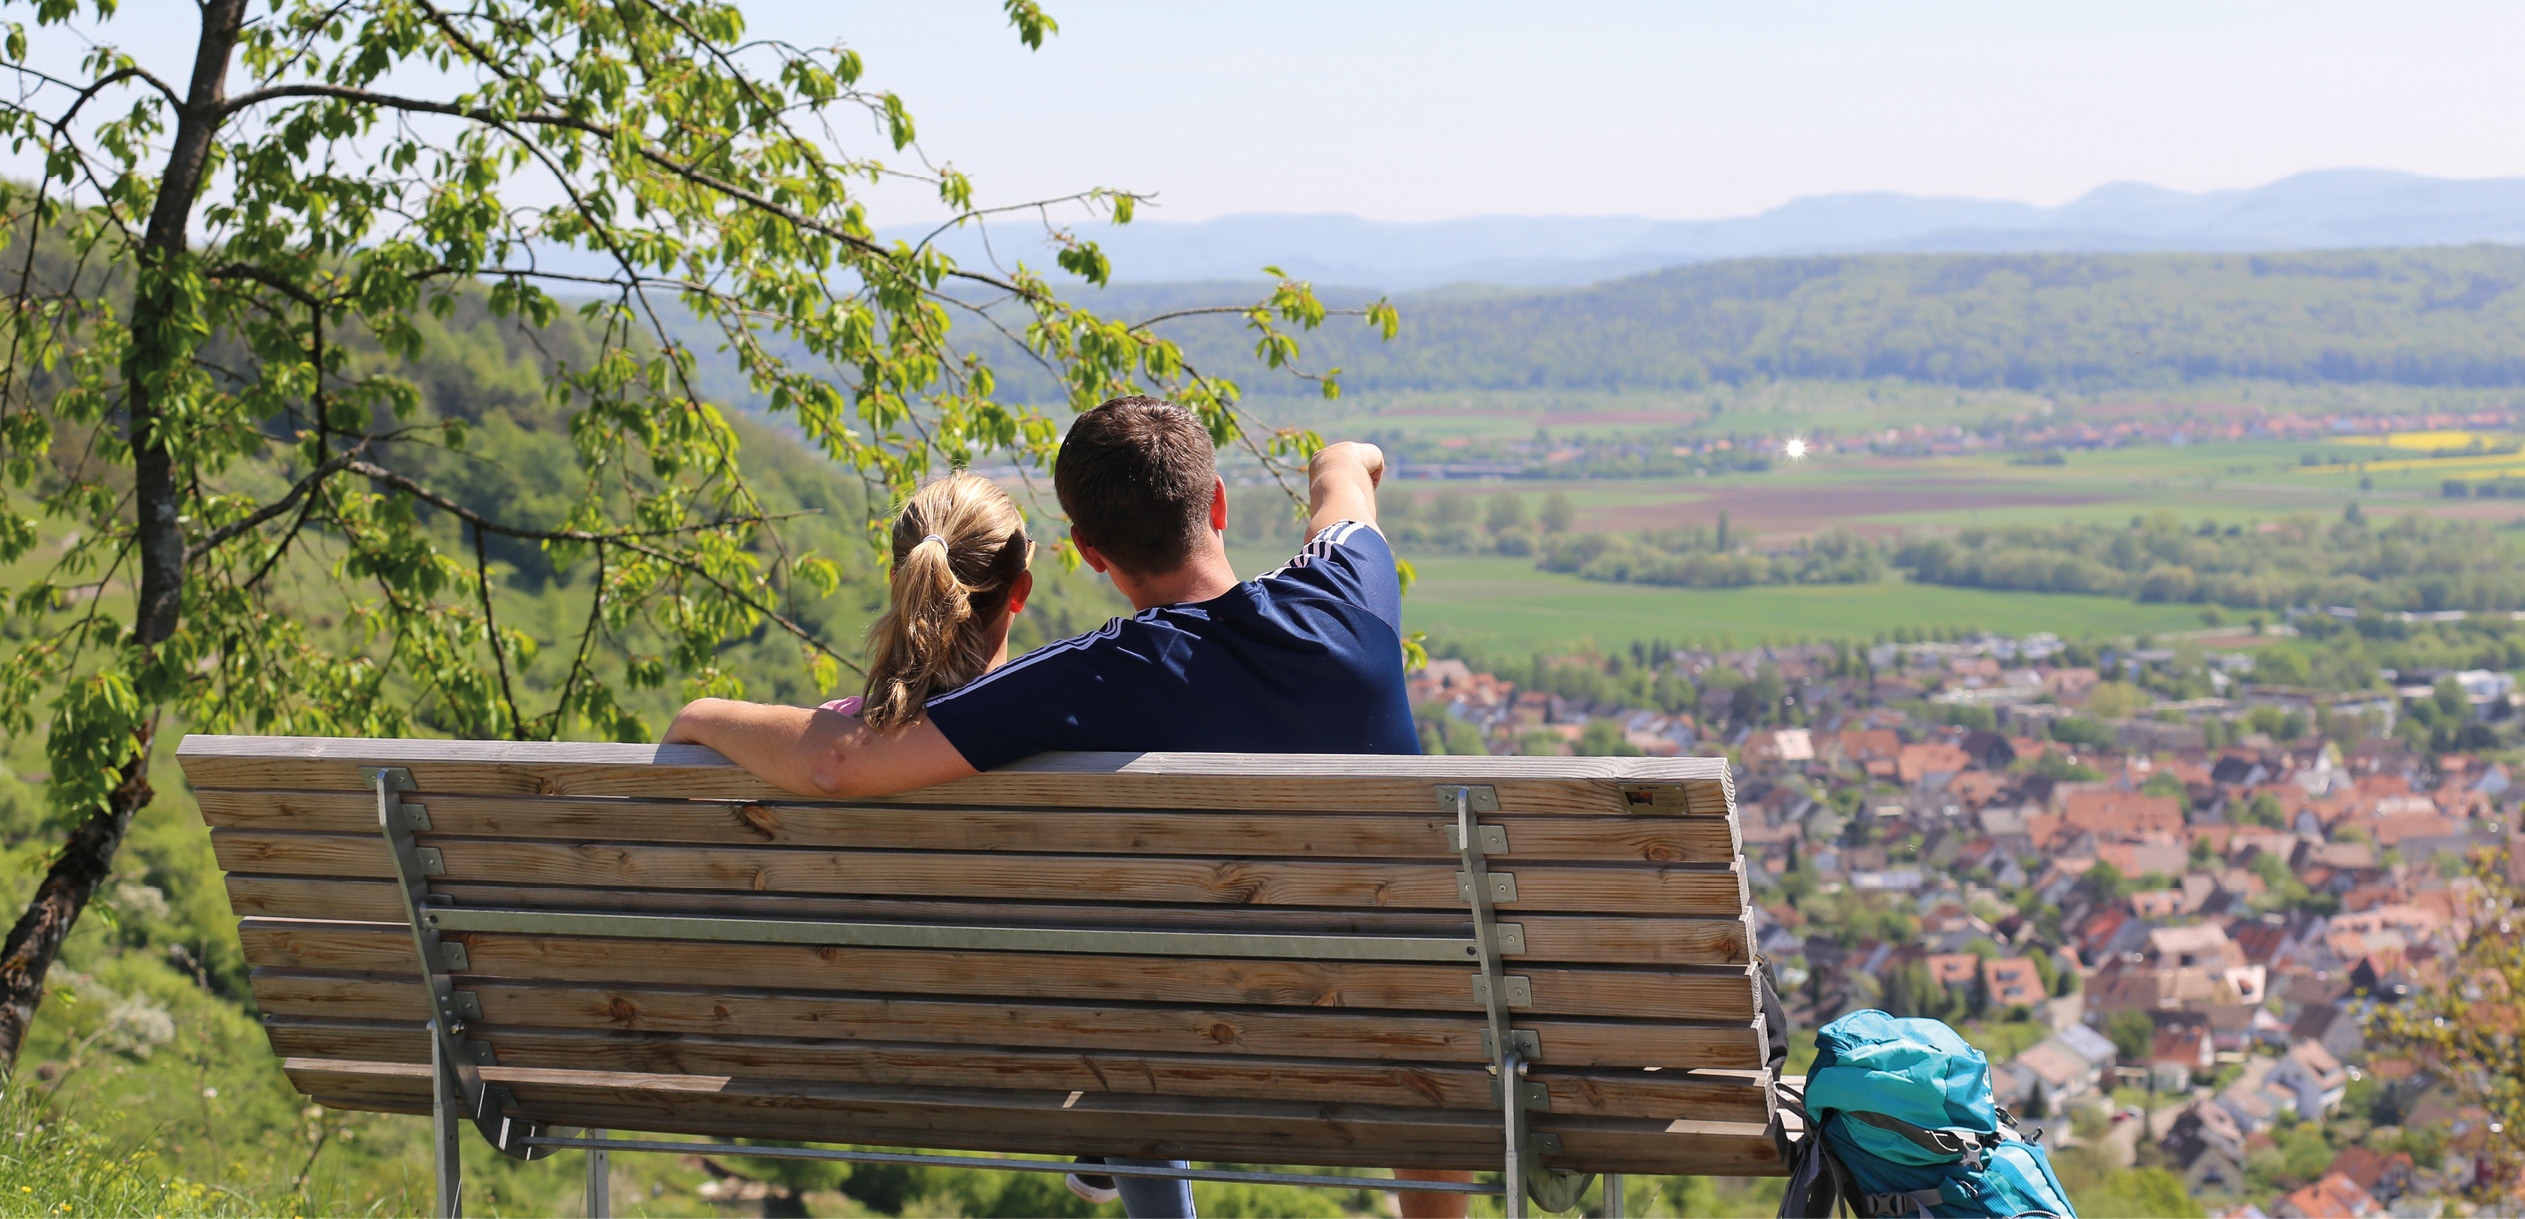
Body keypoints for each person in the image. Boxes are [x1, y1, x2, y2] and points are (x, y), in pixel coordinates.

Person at [664, 395, 1474, 1219]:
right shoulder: (1349, 587)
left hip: (1201, 1037)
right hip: (1407, 1030)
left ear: (1088, 552)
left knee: (1137, 981)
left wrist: (701, 714)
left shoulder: (1103, 676)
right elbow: (1348, 470)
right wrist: (1338, 458)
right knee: (1413, 999)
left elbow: (842, 763)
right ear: (1218, 502)